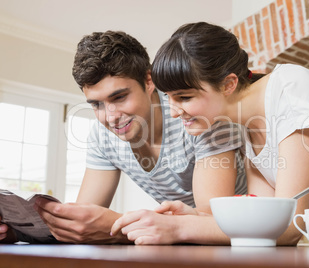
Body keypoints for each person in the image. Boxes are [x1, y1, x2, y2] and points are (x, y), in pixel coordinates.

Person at [146, 21, 309, 246]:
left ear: (228, 84)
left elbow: (288, 226)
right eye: (168, 98)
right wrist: (197, 217)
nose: (174, 112)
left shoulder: (292, 90)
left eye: (184, 97)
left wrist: (181, 229)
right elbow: (266, 217)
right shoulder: (244, 126)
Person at [0, 30, 247, 245]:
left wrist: (118, 226)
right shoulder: (102, 137)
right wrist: (18, 232)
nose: (110, 116)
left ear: (149, 81)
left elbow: (209, 222)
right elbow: (83, 221)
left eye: (119, 97)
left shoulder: (194, 115)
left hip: (240, 240)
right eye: (96, 104)